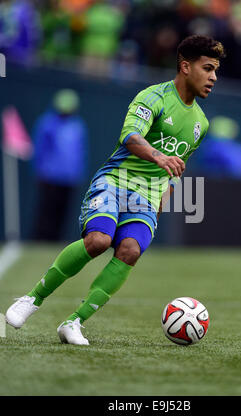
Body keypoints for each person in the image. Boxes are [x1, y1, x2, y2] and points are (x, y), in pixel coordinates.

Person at [5, 35, 225, 345]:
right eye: (208, 68)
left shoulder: (201, 122)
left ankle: (74, 322)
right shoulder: (153, 98)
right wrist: (159, 156)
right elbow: (130, 136)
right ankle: (33, 298)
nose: (214, 77)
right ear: (186, 67)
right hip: (115, 182)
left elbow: (176, 168)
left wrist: (164, 197)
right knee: (98, 240)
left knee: (130, 250)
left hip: (148, 196)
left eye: (216, 70)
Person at [32, 89, 88, 241]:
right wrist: (40, 171)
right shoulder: (47, 123)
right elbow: (40, 149)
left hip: (69, 178)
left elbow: (80, 151)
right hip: (50, 176)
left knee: (63, 213)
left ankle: (55, 241)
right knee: (46, 211)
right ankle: (40, 240)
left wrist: (78, 172)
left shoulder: (78, 126)